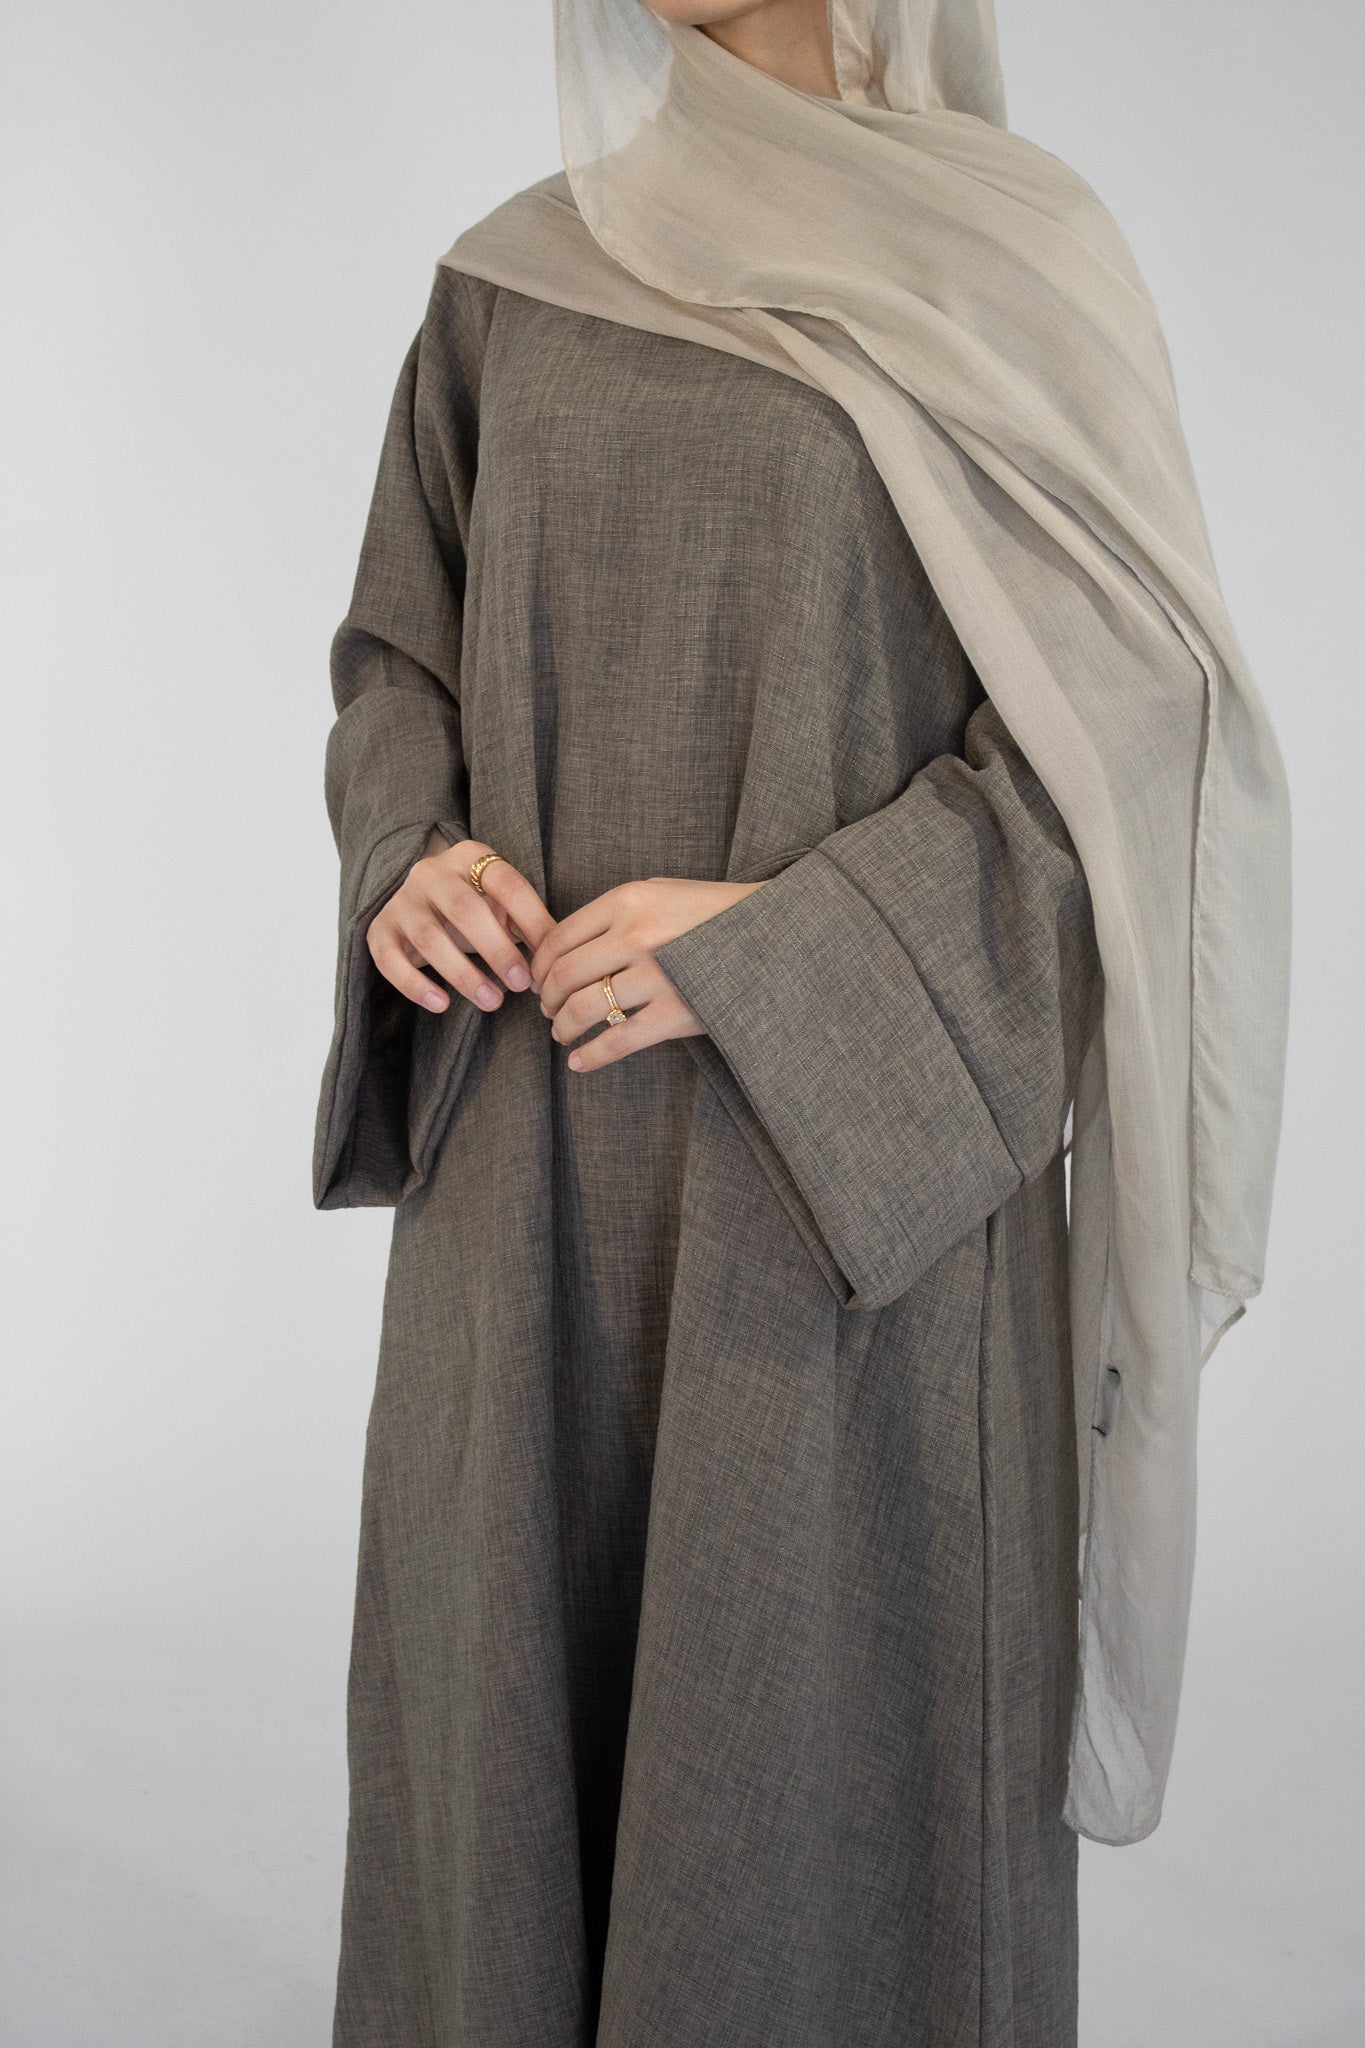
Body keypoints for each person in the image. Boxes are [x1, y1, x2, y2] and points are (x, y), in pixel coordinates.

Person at [313, 4, 1291, 2043]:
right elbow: (399, 647)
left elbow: (1125, 750)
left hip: (841, 1196)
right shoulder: (517, 276)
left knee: (807, 1776)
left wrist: (777, 950)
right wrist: (408, 851)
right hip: (529, 1181)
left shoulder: (1009, 266)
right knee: (502, 1750)